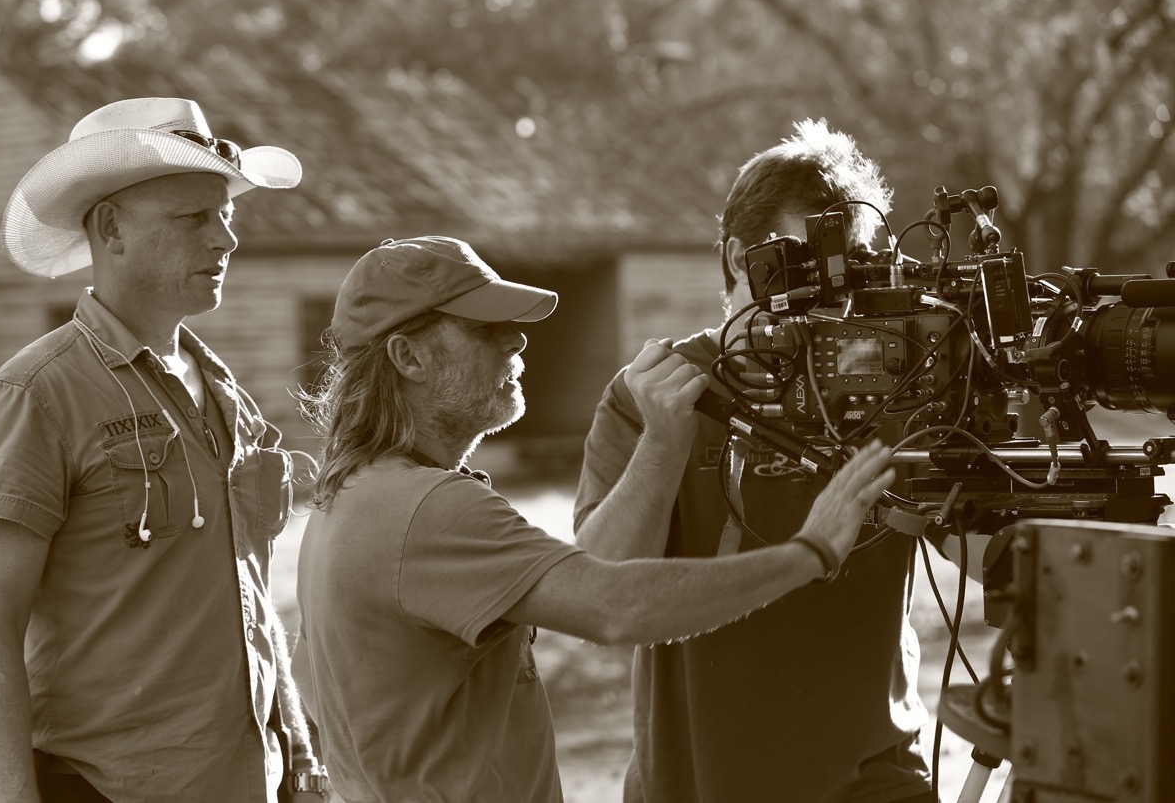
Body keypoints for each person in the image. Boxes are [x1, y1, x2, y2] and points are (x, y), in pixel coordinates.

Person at [289, 235, 896, 802]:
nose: (516, 342)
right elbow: (617, 607)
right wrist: (812, 550)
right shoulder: (429, 507)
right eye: (485, 328)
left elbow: (313, 691)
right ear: (408, 357)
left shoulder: (345, 501)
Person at [0, 98, 333, 802]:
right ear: (111, 228)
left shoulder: (225, 393)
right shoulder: (35, 396)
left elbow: (247, 596)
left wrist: (301, 759)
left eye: (226, 214)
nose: (226, 239)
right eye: (193, 218)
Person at [574, 119, 936, 802]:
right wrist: (663, 443)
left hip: (873, 778)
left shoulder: (903, 379)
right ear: (740, 259)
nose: (826, 297)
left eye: (846, 270)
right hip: (694, 781)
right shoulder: (653, 391)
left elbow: (997, 551)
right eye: (805, 266)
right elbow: (600, 590)